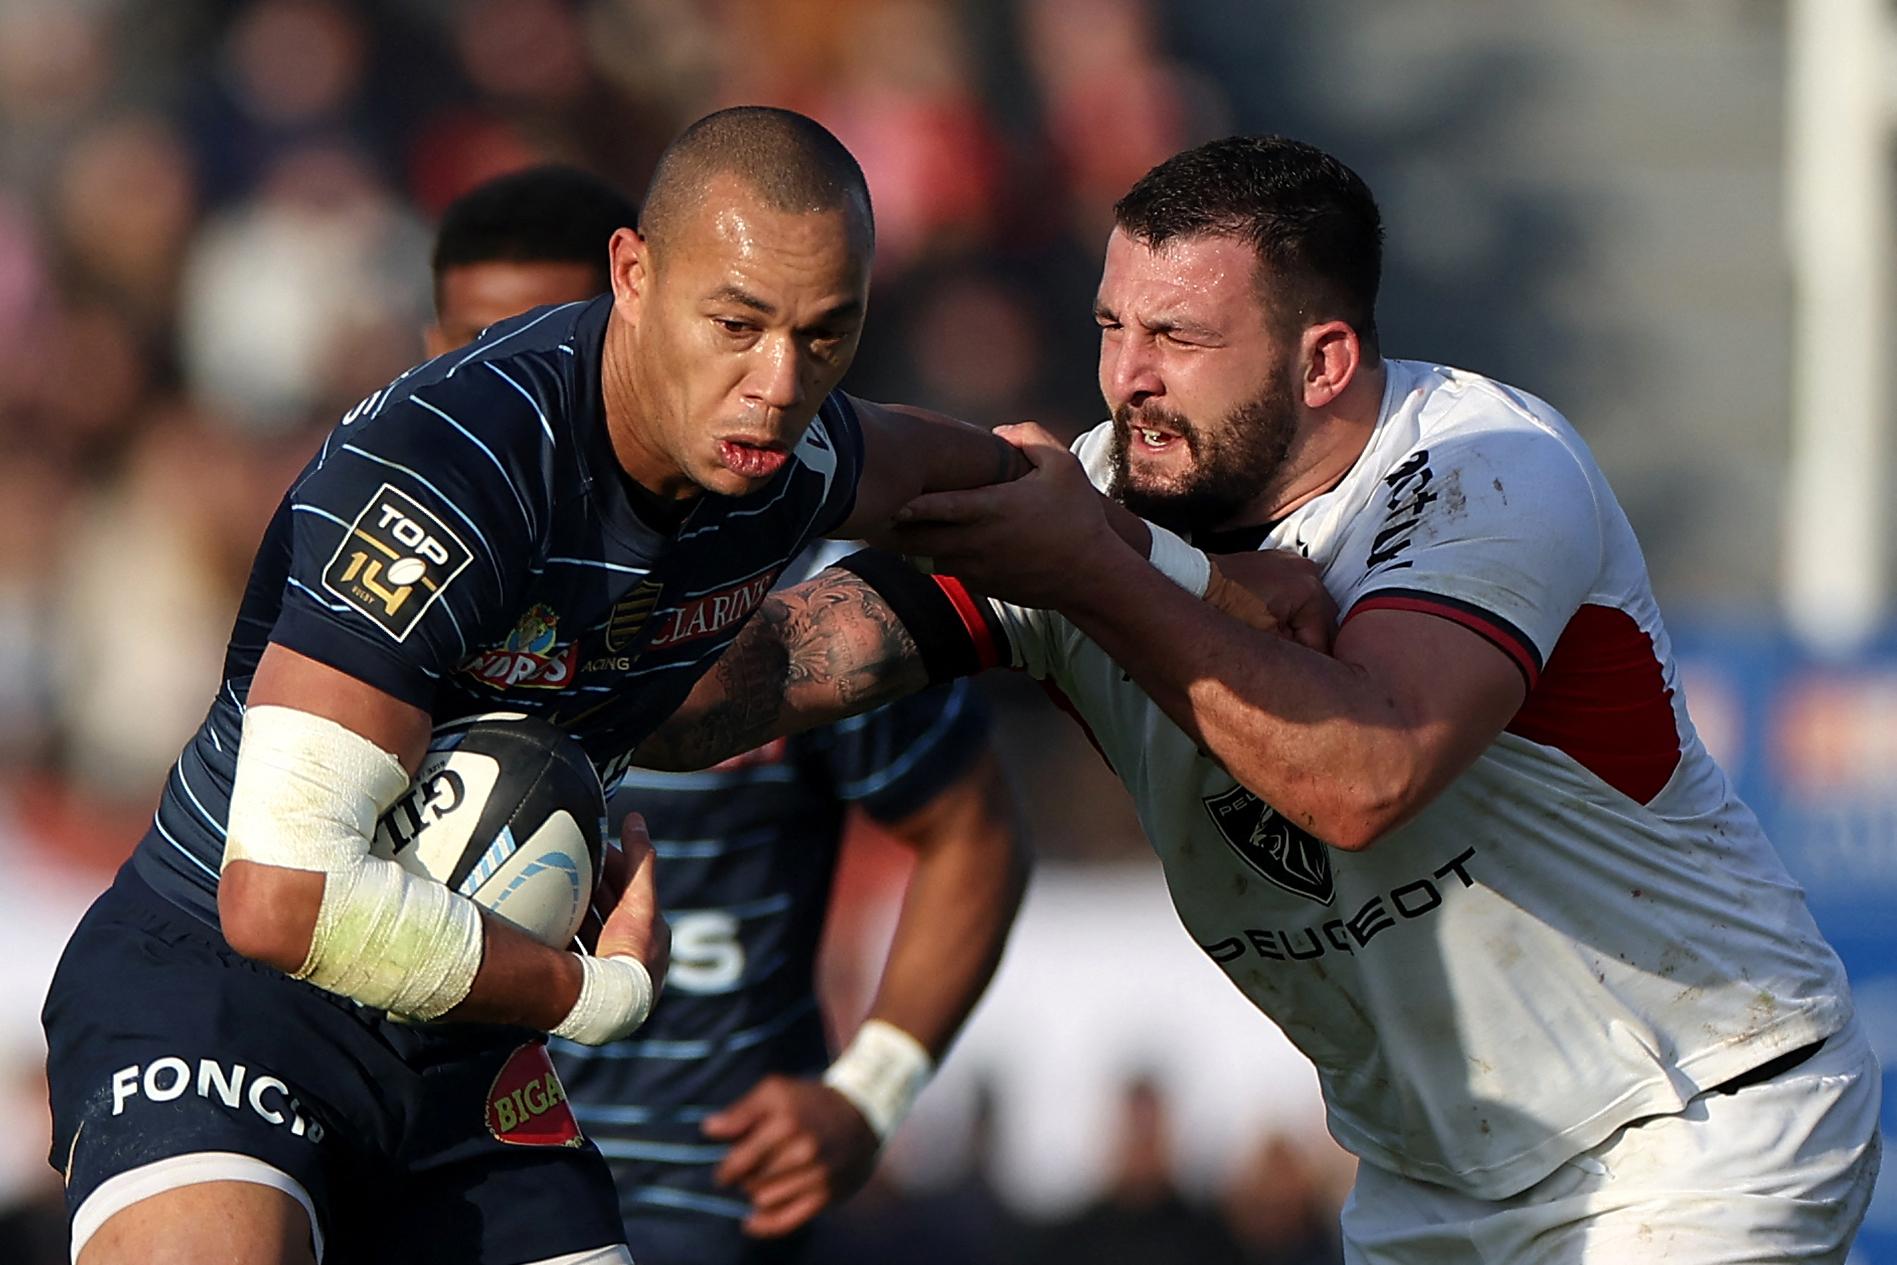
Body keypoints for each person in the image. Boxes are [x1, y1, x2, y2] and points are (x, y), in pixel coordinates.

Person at [630, 135, 1883, 1263]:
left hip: (1700, 1116)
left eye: (1176, 340)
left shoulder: (1485, 472)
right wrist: (571, 594)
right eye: (1111, 327)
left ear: (1322, 359)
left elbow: (1358, 777)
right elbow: (734, 688)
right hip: (1430, 1180)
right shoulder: (1087, 506)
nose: (1128, 379)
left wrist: (1098, 571)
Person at [39, 107, 1129, 1265]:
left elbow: (1022, 481)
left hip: (461, 1044)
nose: (776, 381)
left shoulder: (797, 454)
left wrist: (1187, 562)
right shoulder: (461, 467)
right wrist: (589, 994)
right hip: (223, 987)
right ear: (634, 272)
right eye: (738, 323)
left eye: (825, 335)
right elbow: (281, 897)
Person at [426, 164, 1027, 1264]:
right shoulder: (401, 588)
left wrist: (868, 1091)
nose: (516, 382)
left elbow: (973, 836)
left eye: (551, 336)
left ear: (634, 313)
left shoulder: (794, 589)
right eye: (476, 344)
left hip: (691, 1194)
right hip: (449, 1170)